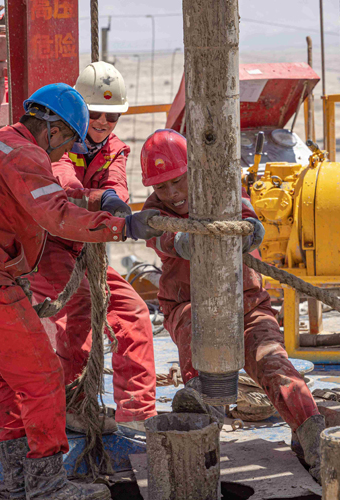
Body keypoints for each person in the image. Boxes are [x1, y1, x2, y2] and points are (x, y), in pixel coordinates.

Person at [0, 83, 162, 500]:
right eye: (66, 142)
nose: (63, 152)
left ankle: (19, 483)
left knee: (10, 376)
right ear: (52, 129)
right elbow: (57, 214)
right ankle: (47, 486)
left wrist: (101, 198)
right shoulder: (26, 153)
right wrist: (123, 227)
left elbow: (52, 197)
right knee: (44, 376)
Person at [140, 129, 326, 482]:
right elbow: (158, 234)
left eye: (178, 181)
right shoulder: (154, 211)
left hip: (247, 306)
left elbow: (243, 207)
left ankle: (312, 436)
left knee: (275, 365)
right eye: (162, 187)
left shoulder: (223, 188)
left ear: (194, 170)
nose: (172, 193)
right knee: (199, 360)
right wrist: (182, 241)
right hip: (188, 306)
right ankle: (197, 450)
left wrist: (250, 224)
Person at [29, 62, 157, 432]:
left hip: (83, 246)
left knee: (132, 312)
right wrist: (103, 200)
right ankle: (74, 405)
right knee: (80, 307)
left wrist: (115, 198)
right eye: (95, 113)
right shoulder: (57, 144)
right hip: (44, 247)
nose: (102, 122)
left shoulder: (113, 149)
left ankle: (136, 412)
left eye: (112, 116)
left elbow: (116, 181)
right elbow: (65, 187)